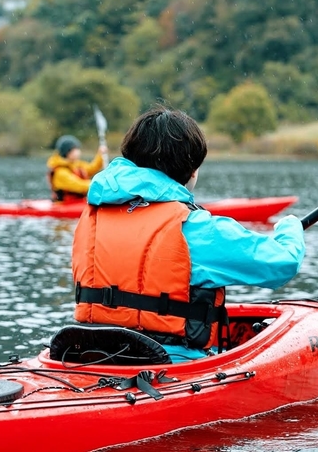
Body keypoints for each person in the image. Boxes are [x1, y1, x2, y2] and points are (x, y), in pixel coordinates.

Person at [70, 106, 305, 362]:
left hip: (87, 356)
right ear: (191, 170)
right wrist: (289, 226)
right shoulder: (194, 227)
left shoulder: (91, 216)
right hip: (166, 363)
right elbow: (283, 262)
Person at [46, 135, 107, 202]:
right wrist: (101, 185)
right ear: (67, 152)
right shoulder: (60, 172)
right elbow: (78, 185)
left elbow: (92, 168)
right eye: (75, 149)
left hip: (78, 202)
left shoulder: (76, 164)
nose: (78, 152)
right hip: (65, 205)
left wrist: (100, 155)